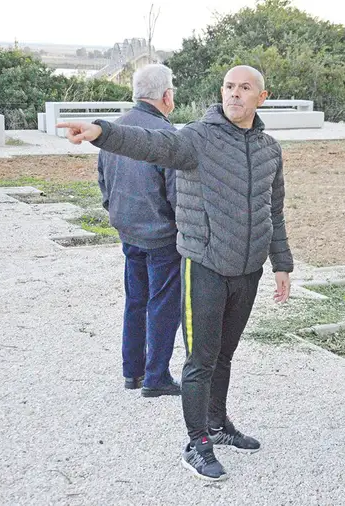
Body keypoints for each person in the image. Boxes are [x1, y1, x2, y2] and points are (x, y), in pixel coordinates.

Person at [58, 65, 294, 483]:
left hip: (248, 270)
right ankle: (197, 443)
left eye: (244, 88)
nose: (234, 94)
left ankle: (218, 425)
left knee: (224, 356)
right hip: (204, 265)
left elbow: (272, 210)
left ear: (262, 96)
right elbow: (151, 143)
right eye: (228, 86)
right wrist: (103, 133)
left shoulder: (269, 149)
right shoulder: (196, 138)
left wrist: (282, 264)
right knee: (200, 360)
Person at [97, 64, 181, 397]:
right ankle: (156, 377)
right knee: (163, 305)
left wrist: (115, 212)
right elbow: (176, 194)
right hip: (162, 236)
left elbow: (103, 181)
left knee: (136, 301)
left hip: (128, 230)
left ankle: (132, 372)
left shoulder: (114, 130)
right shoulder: (167, 135)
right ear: (167, 96)